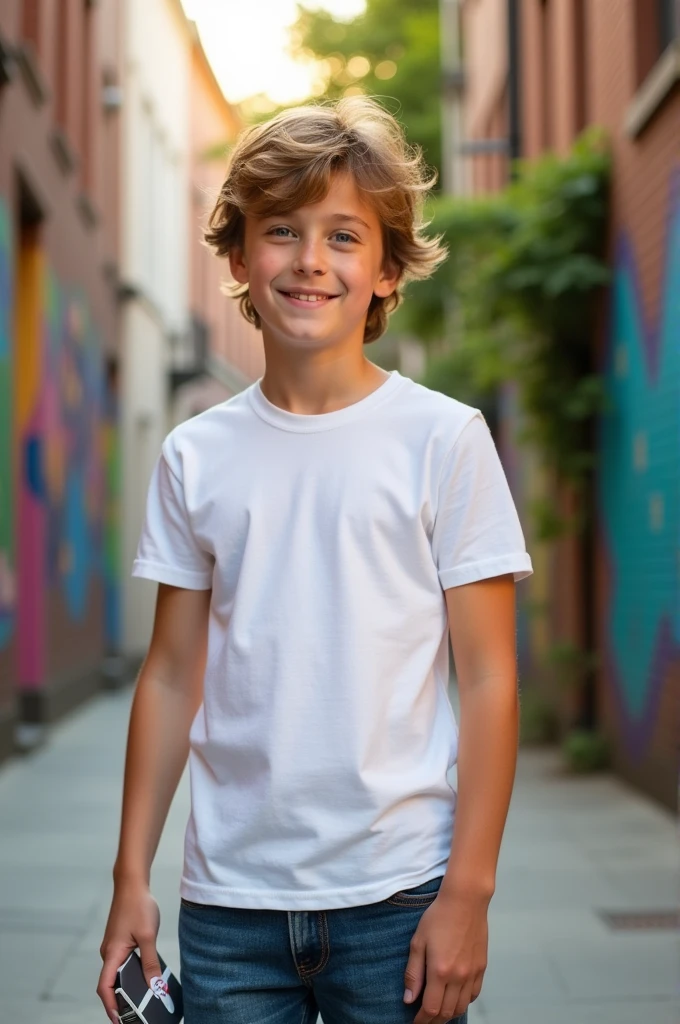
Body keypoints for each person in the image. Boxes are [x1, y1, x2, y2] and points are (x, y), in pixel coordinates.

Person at [97, 96, 532, 1024]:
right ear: (238, 259)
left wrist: (470, 893)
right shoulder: (194, 454)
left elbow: (489, 676)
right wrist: (131, 873)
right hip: (229, 907)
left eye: (344, 236)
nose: (310, 261)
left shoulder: (444, 439)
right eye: (282, 230)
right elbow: (172, 675)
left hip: (401, 895)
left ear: (385, 271)